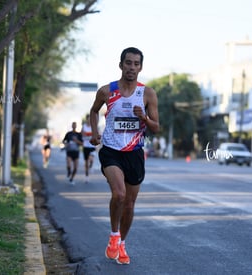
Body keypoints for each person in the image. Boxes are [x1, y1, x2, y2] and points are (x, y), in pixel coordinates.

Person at [89, 47, 160, 265]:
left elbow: (156, 127)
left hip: (135, 153)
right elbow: (93, 111)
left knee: (129, 204)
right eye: (128, 63)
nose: (132, 67)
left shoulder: (147, 93)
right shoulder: (106, 91)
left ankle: (122, 243)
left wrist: (144, 118)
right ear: (121, 65)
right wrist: (94, 132)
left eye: (136, 64)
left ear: (140, 67)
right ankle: (113, 236)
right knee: (119, 194)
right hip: (111, 150)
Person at [81, 114, 96, 183]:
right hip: (86, 146)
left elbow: (96, 135)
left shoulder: (94, 127)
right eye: (88, 119)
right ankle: (86, 177)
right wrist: (90, 136)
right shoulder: (83, 127)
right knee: (86, 163)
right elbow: (83, 136)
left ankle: (91, 166)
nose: (89, 120)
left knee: (91, 159)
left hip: (92, 146)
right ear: (86, 119)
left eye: (90, 119)